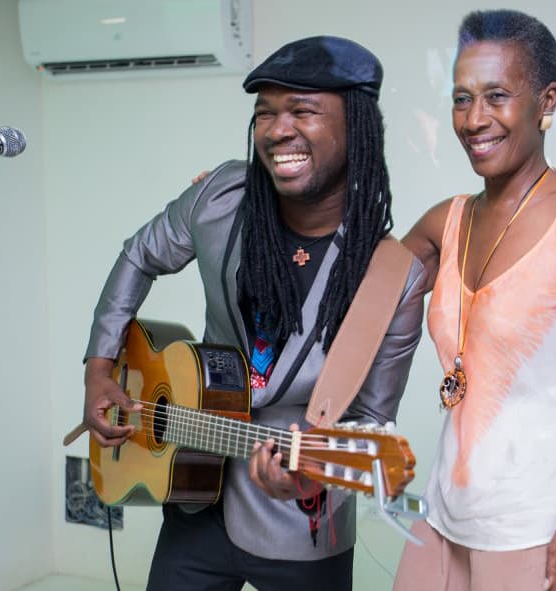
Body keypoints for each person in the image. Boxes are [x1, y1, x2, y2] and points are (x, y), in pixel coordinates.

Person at [80, 36, 425, 591]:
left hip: (302, 529)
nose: (277, 129)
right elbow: (138, 254)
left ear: (356, 129)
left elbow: (368, 423)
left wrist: (307, 481)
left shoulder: (393, 278)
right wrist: (99, 366)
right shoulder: (220, 199)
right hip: (195, 502)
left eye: (302, 110)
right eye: (264, 113)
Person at [395, 10, 556, 591]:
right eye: (462, 99)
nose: (474, 119)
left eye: (497, 96)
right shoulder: (446, 221)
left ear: (546, 101)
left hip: (544, 519)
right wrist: (249, 201)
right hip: (447, 511)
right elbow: (359, 292)